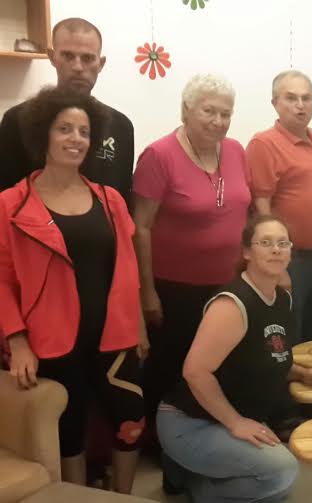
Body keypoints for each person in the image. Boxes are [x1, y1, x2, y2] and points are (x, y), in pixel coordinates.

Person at [0, 87, 145, 493]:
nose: (75, 138)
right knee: (69, 431)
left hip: (114, 336)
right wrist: (17, 341)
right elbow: (2, 281)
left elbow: (127, 268)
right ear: (43, 135)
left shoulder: (110, 199)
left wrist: (138, 324)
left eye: (83, 131)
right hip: (51, 341)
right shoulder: (10, 204)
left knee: (131, 420)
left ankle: (124, 498)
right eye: (64, 129)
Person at [157, 215, 312, 503]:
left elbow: (268, 357)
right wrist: (236, 422)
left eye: (283, 243)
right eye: (266, 243)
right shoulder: (232, 303)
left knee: (275, 472)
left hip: (226, 419)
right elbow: (195, 372)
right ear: (247, 252)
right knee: (281, 474)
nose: (276, 249)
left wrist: (302, 373)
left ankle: (185, 470)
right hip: (190, 423)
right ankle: (196, 486)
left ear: (290, 252)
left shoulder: (281, 299)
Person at [133, 74, 251, 434]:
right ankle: (162, 442)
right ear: (186, 110)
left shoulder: (236, 151)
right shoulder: (159, 155)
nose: (218, 121)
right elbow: (141, 226)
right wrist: (147, 291)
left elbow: (244, 212)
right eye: (209, 111)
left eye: (226, 114)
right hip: (175, 290)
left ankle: (208, 438)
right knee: (172, 369)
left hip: (228, 286)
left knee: (219, 367)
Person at [247, 70, 312, 343]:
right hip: (293, 260)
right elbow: (261, 209)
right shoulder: (263, 144)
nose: (300, 105)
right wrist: (277, 264)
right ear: (275, 103)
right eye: (291, 98)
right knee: (290, 337)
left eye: (306, 98)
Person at [0, 18, 134, 200]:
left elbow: (123, 199)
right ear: (52, 57)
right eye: (68, 56)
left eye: (88, 58)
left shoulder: (121, 127)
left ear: (101, 64)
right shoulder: (17, 120)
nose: (78, 67)